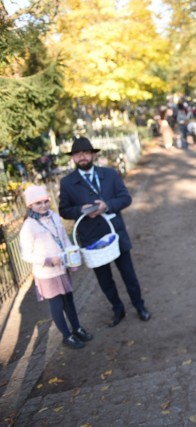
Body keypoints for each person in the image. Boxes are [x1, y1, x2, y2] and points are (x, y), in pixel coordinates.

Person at [59, 137, 151, 327]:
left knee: (129, 275)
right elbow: (63, 210)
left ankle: (139, 305)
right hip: (91, 238)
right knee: (105, 280)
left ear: (93, 154)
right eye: (77, 154)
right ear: (73, 158)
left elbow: (125, 198)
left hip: (115, 233)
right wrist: (80, 210)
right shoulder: (67, 183)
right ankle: (118, 309)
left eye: (85, 152)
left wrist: (107, 206)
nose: (82, 156)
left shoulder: (109, 174)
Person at [19, 185, 93, 349]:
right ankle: (67, 336)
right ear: (30, 205)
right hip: (47, 273)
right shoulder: (29, 226)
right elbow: (26, 255)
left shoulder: (53, 216)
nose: (43, 206)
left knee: (69, 301)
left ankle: (77, 328)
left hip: (62, 267)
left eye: (45, 201)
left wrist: (70, 252)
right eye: (38, 203)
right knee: (57, 305)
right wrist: (47, 260)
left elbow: (63, 238)